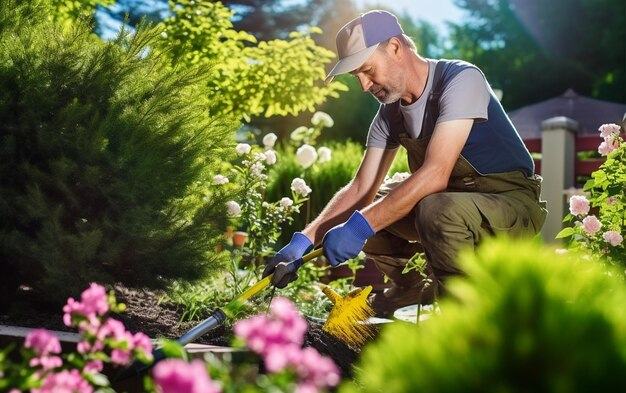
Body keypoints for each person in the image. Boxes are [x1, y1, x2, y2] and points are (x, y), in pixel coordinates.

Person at [262, 10, 547, 317]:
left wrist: (358, 227)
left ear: (395, 48)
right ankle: (411, 288)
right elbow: (361, 188)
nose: (363, 86)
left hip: (509, 205)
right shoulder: (390, 114)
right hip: (450, 205)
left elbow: (436, 173)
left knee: (428, 209)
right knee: (379, 202)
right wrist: (305, 240)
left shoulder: (461, 80)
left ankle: (463, 317)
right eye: (355, 76)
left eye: (367, 70)